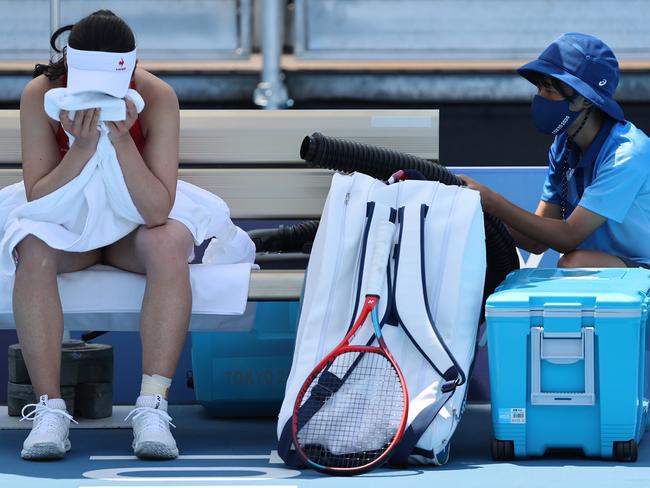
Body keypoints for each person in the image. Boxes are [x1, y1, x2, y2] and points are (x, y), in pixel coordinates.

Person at [13, 10, 252, 460]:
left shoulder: (156, 96)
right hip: (70, 223)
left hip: (134, 225)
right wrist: (82, 147)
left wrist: (122, 141)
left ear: (130, 65)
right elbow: (40, 195)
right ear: (72, 62)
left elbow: (157, 209)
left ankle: (152, 407)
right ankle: (49, 409)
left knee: (169, 243)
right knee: (33, 247)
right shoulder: (41, 94)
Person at [460, 33, 650, 269]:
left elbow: (568, 236)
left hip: (643, 273)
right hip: (605, 273)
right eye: (540, 88)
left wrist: (490, 201)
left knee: (575, 263)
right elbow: (536, 241)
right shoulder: (564, 144)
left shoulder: (628, 154)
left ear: (586, 100)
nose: (540, 98)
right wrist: (472, 212)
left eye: (550, 90)